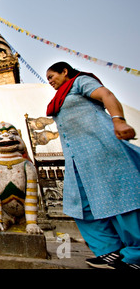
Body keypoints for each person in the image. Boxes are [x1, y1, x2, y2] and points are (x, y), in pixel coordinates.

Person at [46, 61, 140, 269]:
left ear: (65, 71)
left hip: (102, 146)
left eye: (52, 76)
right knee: (79, 205)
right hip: (77, 157)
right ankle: (109, 251)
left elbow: (106, 94)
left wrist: (118, 120)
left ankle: (136, 253)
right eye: (48, 79)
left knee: (121, 197)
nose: (50, 81)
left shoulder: (80, 82)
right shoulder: (58, 99)